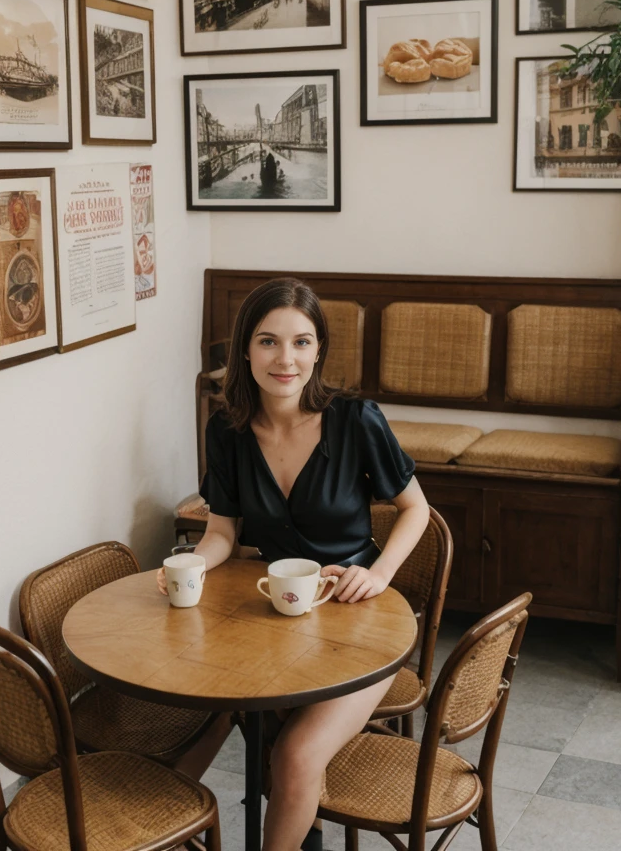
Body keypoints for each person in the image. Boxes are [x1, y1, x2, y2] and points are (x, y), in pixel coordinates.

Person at [157, 277, 430, 851]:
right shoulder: (227, 432)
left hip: (361, 618)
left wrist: (377, 574)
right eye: (268, 341)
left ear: (319, 350)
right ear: (245, 350)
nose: (287, 359)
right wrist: (193, 565)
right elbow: (223, 532)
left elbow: (415, 509)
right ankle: (150, 833)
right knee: (204, 715)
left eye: (302, 342)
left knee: (297, 752)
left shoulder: (356, 420)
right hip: (277, 618)